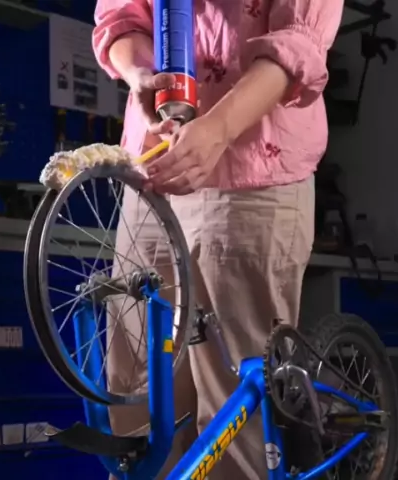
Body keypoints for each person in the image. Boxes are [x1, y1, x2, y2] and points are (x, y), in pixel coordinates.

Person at [92, 0, 344, 478]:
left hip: (253, 168)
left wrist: (218, 129)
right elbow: (122, 16)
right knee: (137, 397)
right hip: (152, 168)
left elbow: (298, 40)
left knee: (235, 408)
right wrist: (143, 75)